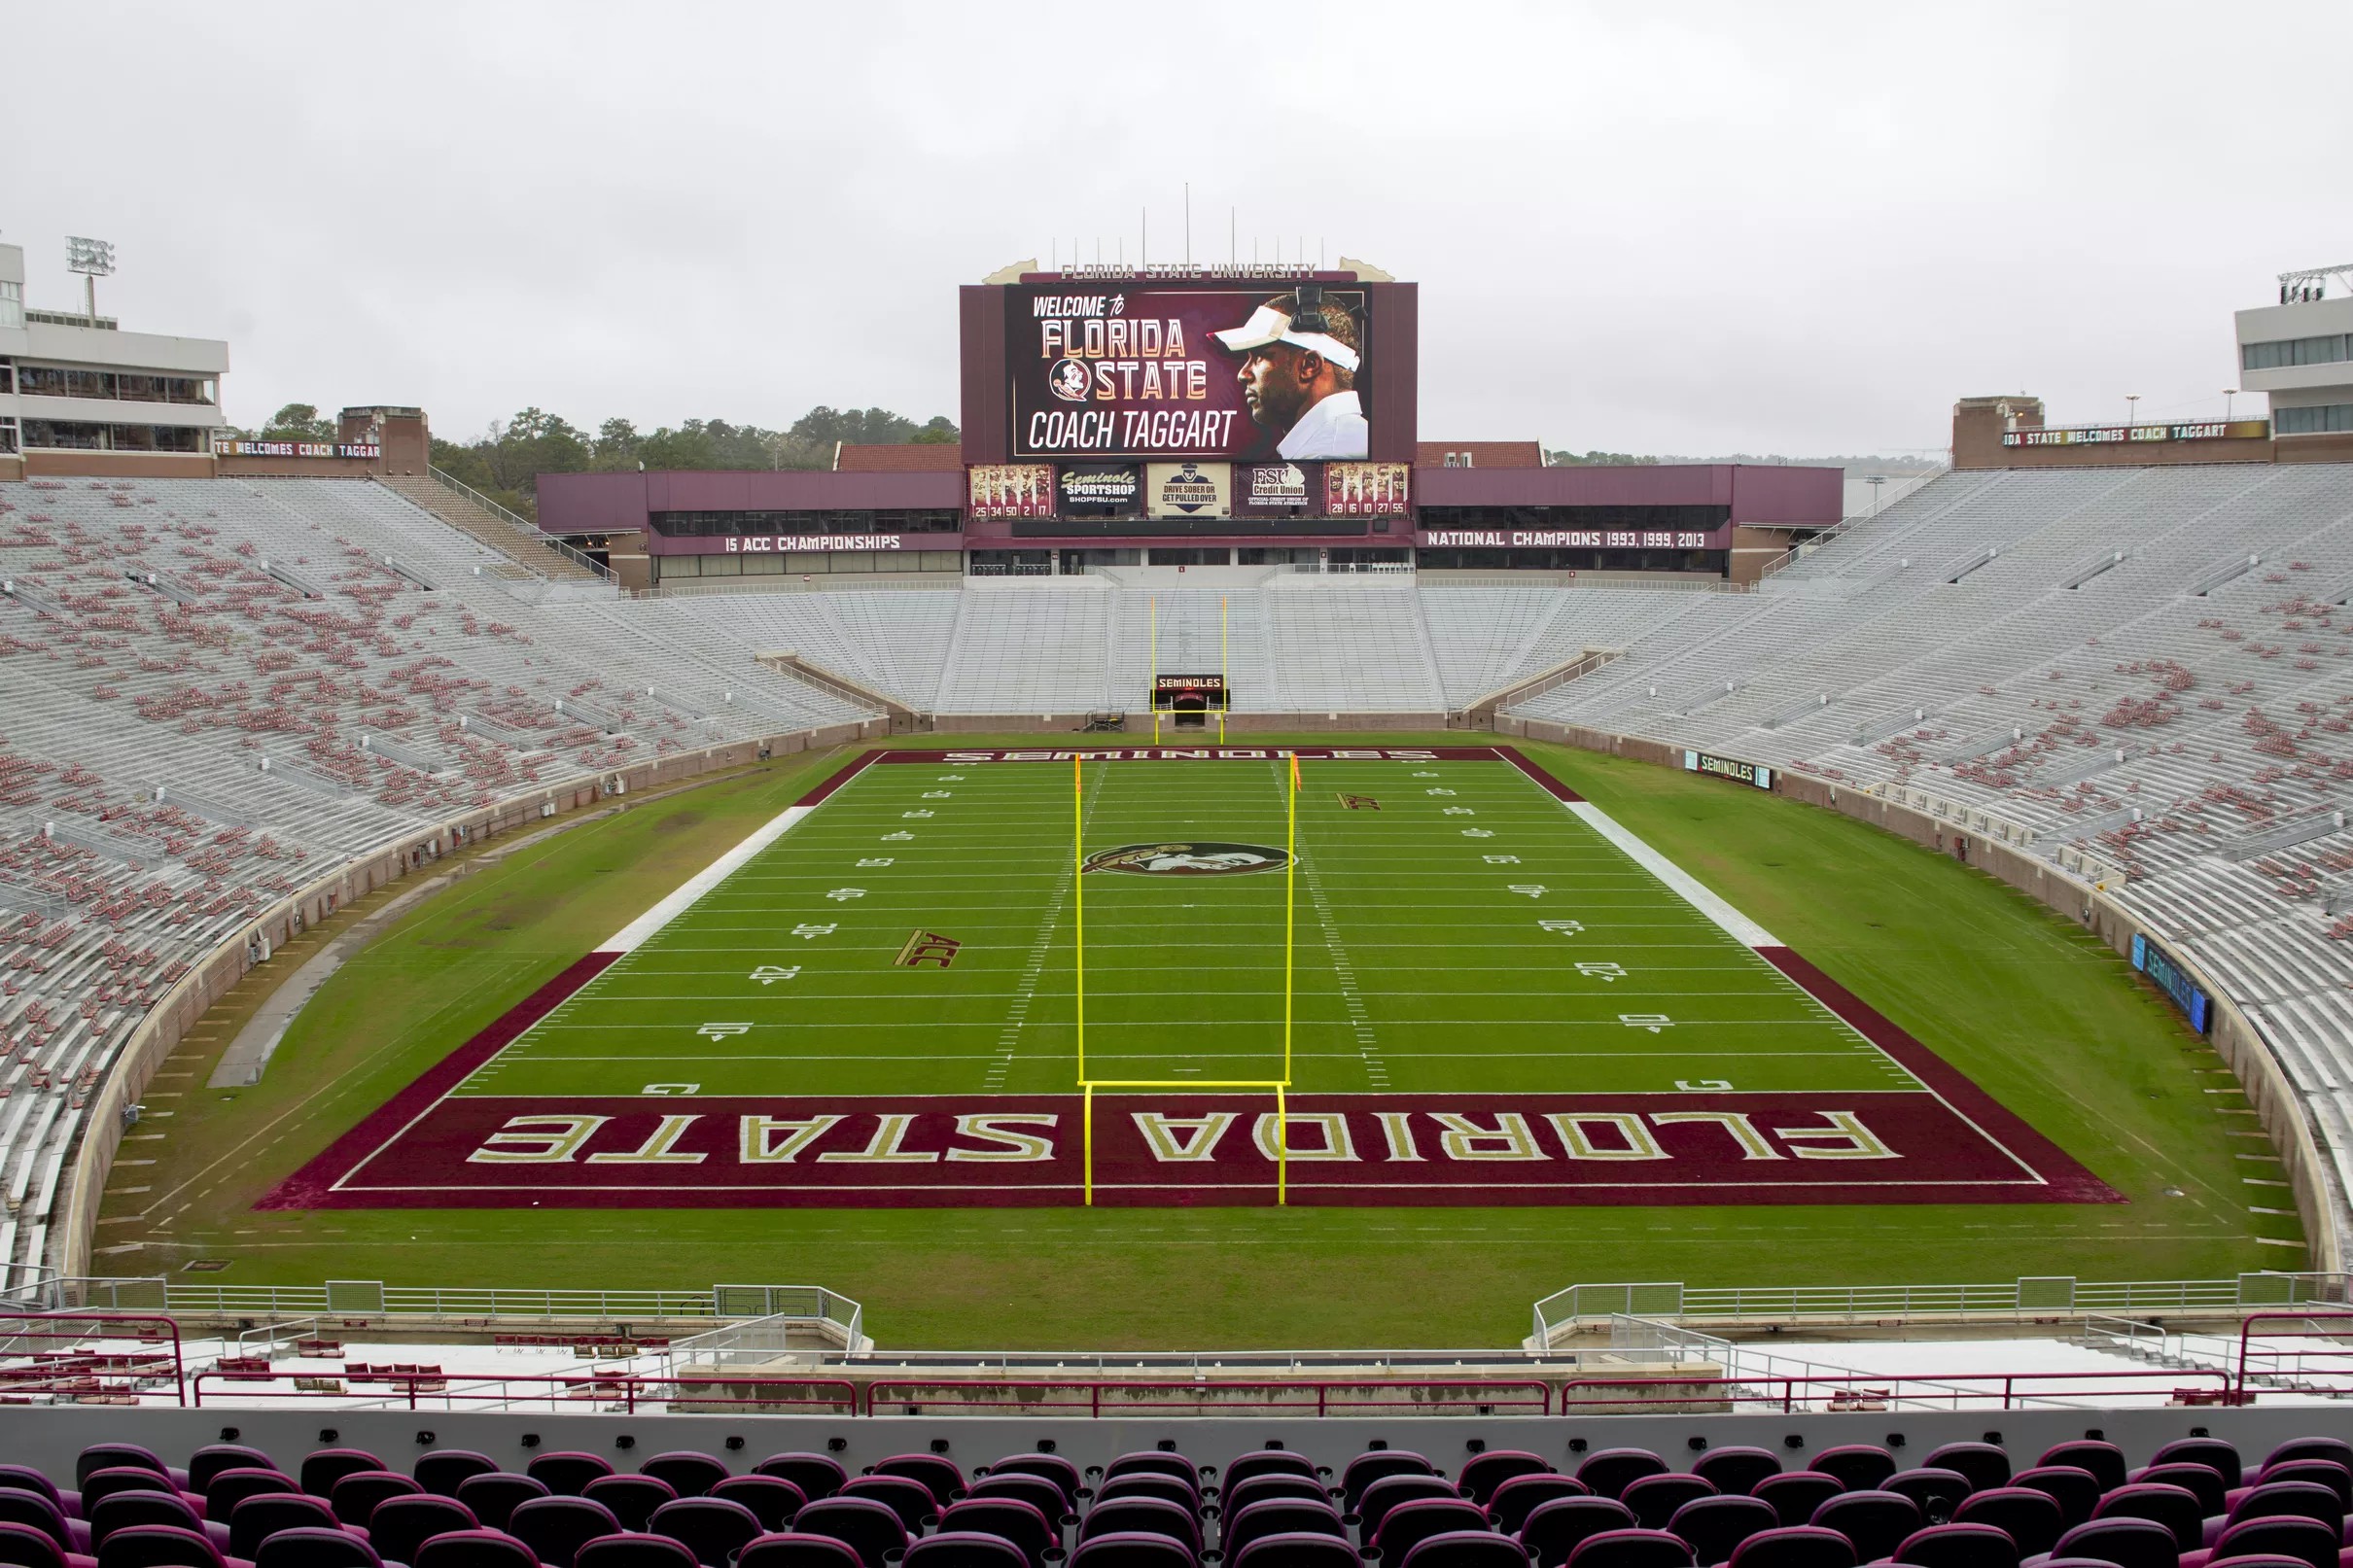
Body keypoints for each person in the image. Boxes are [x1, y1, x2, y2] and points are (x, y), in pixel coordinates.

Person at [1212, 288, 1368, 460]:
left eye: (1260, 357)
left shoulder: (1329, 453)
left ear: (1310, 365)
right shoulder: (1333, 443)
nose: (1243, 374)